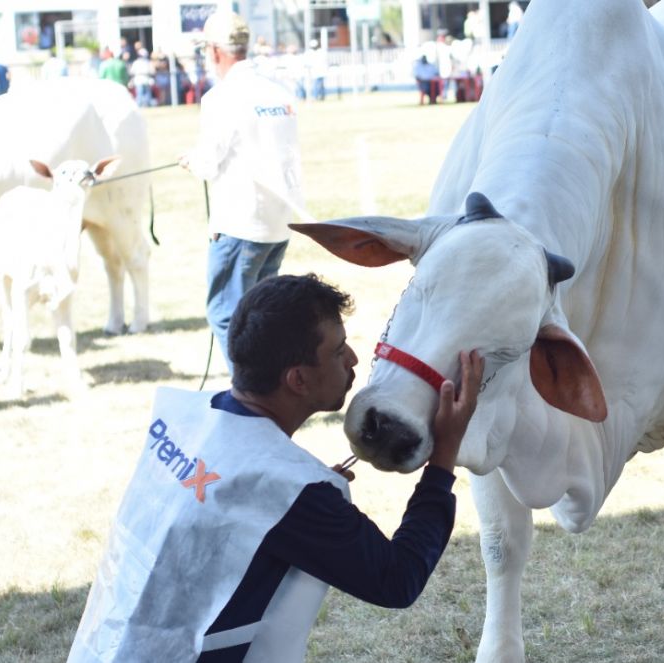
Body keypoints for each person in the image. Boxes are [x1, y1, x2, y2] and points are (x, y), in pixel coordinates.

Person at [67, 273, 485, 662]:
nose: (353, 359)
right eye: (338, 351)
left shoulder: (186, 416)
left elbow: (225, 504)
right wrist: (444, 455)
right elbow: (398, 579)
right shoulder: (293, 493)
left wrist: (299, 504)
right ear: (297, 380)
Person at [178, 10, 305, 374]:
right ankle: (272, 383)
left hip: (240, 222)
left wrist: (191, 161)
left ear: (215, 51)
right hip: (278, 222)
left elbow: (208, 163)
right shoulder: (278, 93)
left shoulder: (221, 97)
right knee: (263, 315)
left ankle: (252, 388)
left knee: (226, 313)